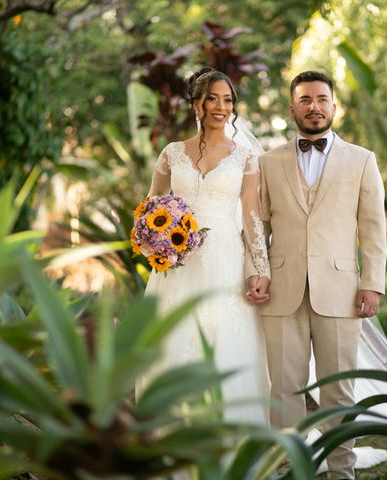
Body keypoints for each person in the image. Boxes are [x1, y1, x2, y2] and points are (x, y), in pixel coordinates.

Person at [246, 70, 387, 479]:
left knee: (338, 390)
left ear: (334, 106)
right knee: (284, 391)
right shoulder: (267, 162)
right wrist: (258, 272)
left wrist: (371, 283)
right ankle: (288, 468)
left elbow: (373, 227)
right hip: (282, 291)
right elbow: (259, 227)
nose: (314, 106)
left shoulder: (362, 160)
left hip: (341, 291)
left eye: (321, 99)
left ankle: (342, 471)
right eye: (305, 99)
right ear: (292, 109)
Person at [141, 67, 271, 425]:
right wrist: (154, 241)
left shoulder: (245, 157)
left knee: (222, 338)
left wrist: (260, 268)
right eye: (212, 98)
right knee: (173, 337)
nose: (220, 106)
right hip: (178, 264)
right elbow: (150, 205)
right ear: (195, 103)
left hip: (224, 261)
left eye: (227, 100)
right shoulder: (171, 153)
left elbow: (251, 216)